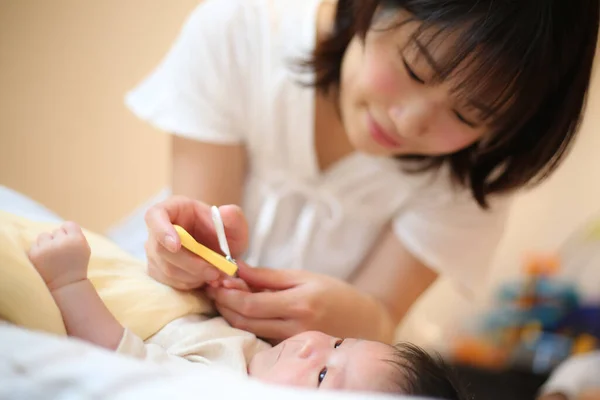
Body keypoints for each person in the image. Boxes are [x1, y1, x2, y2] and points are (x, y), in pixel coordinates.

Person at [117, 0, 599, 344]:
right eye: (415, 69)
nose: (408, 122)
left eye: (468, 116)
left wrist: (354, 318)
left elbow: (383, 316)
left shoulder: (470, 175)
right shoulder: (241, 31)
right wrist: (182, 256)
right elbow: (202, 256)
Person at [25, 221, 470, 399]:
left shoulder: (221, 386)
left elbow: (117, 357)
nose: (312, 347)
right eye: (338, 342)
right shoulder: (256, 357)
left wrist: (69, 281)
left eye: (322, 377)